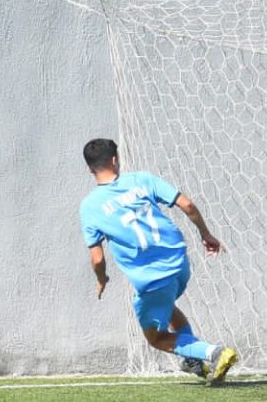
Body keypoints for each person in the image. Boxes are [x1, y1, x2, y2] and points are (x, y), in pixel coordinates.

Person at [80, 138, 238, 384]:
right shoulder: (142, 179)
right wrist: (205, 234)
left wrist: (102, 280)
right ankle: (192, 359)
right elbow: (187, 205)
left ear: (90, 169)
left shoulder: (90, 206)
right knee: (167, 307)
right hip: (180, 264)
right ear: (115, 160)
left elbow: (97, 258)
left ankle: (214, 353)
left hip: (152, 278)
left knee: (156, 338)